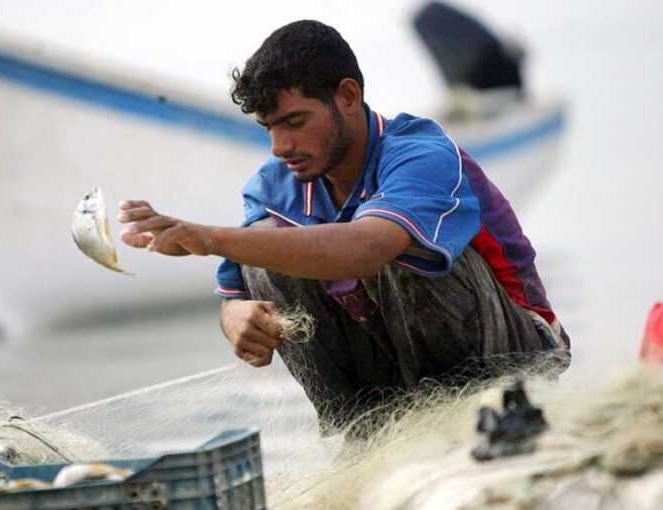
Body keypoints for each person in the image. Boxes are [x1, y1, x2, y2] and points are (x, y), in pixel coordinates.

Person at [118, 20, 569, 432]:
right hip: (396, 365)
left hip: (515, 353)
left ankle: (463, 419)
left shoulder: (420, 152)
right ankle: (361, 432)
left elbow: (368, 248)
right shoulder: (273, 188)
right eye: (268, 127)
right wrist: (238, 320)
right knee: (263, 250)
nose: (279, 146)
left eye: (295, 122)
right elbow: (237, 297)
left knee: (395, 249)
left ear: (348, 98)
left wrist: (210, 238)